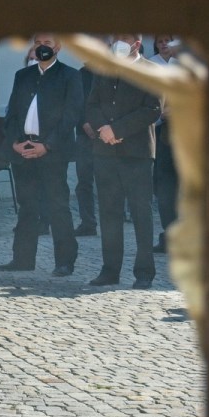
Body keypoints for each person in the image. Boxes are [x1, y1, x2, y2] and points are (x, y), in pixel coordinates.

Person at [0, 33, 83, 276]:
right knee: (27, 206)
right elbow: (12, 112)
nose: (42, 47)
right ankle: (22, 259)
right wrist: (15, 141)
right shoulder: (23, 75)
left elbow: (71, 117)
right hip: (23, 149)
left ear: (58, 46)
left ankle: (64, 261)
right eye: (38, 43)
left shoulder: (70, 76)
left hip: (52, 152)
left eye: (47, 43)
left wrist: (47, 146)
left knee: (58, 206)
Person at [84, 35, 162, 289]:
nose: (118, 42)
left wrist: (117, 130)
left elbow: (152, 109)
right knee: (109, 213)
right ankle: (110, 270)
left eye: (124, 38)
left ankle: (143, 273)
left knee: (141, 214)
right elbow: (92, 104)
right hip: (105, 152)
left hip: (137, 154)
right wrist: (103, 130)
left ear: (137, 44)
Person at [149, 34, 180, 253]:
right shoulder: (150, 66)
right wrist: (161, 114)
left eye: (169, 40)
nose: (164, 45)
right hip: (162, 134)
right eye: (160, 41)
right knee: (165, 188)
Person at [73, 63, 98, 236]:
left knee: (109, 183)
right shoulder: (79, 75)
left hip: (108, 134)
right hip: (84, 136)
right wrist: (83, 122)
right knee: (84, 182)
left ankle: (113, 220)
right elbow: (74, 103)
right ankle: (88, 222)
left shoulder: (111, 71)